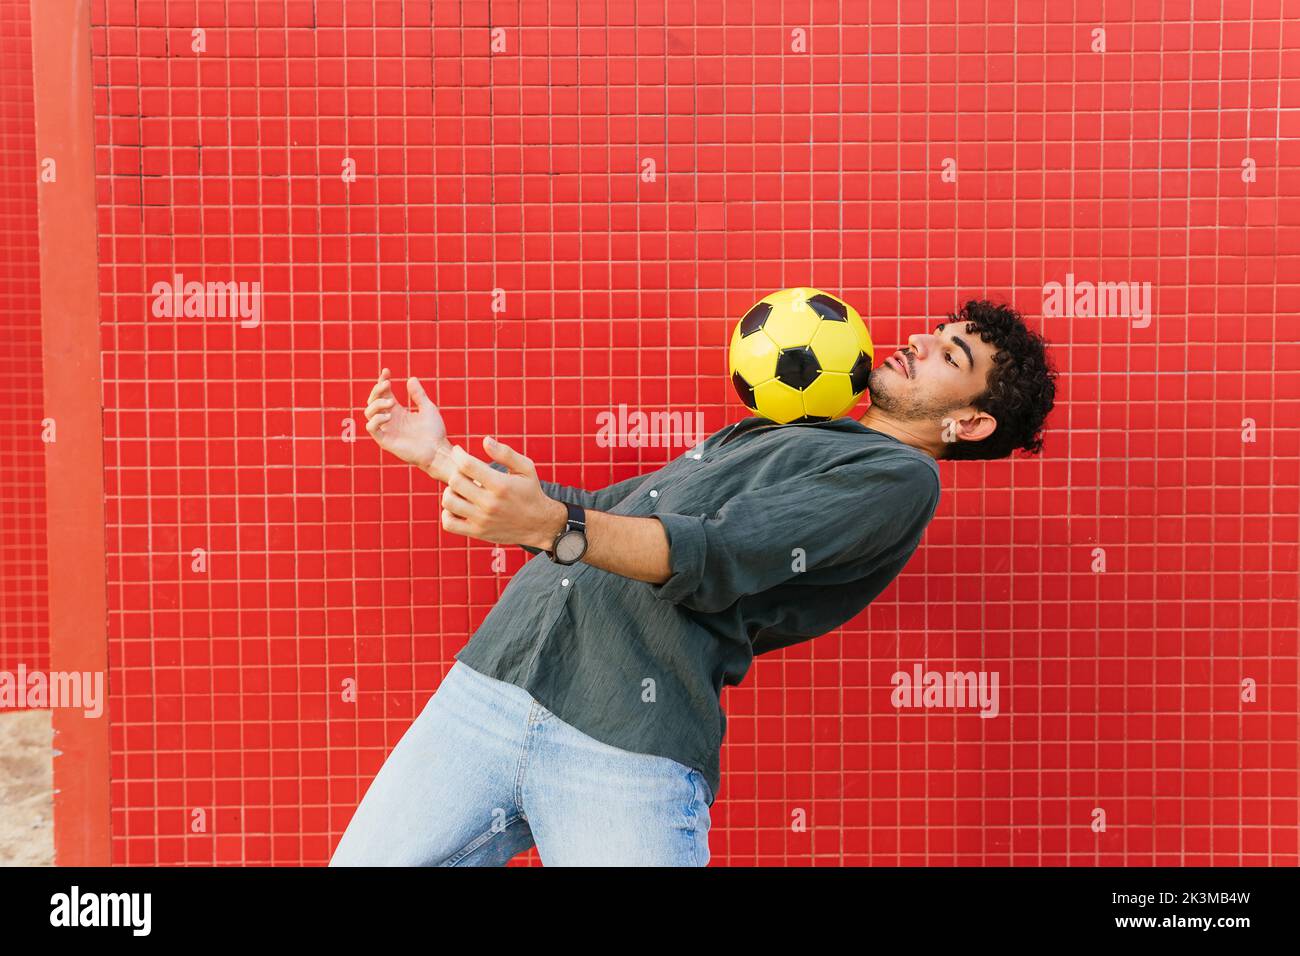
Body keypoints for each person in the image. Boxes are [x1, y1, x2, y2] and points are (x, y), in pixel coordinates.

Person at [329, 298, 1058, 866]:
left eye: (950, 353)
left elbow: (718, 554)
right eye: (937, 330)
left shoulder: (898, 479)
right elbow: (601, 520)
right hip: (493, 685)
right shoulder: (784, 427)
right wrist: (441, 457)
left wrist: (554, 526)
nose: (921, 340)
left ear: (969, 422)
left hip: (621, 743)